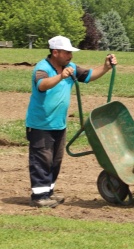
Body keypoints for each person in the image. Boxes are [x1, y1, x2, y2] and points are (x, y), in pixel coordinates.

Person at [26, 35, 117, 208]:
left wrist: (105, 67)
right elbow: (42, 84)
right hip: (40, 125)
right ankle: (39, 197)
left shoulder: (70, 67)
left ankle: (48, 193)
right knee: (42, 160)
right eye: (67, 53)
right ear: (55, 52)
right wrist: (60, 77)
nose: (70, 56)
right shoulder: (42, 68)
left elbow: (89, 75)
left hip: (59, 124)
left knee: (55, 160)